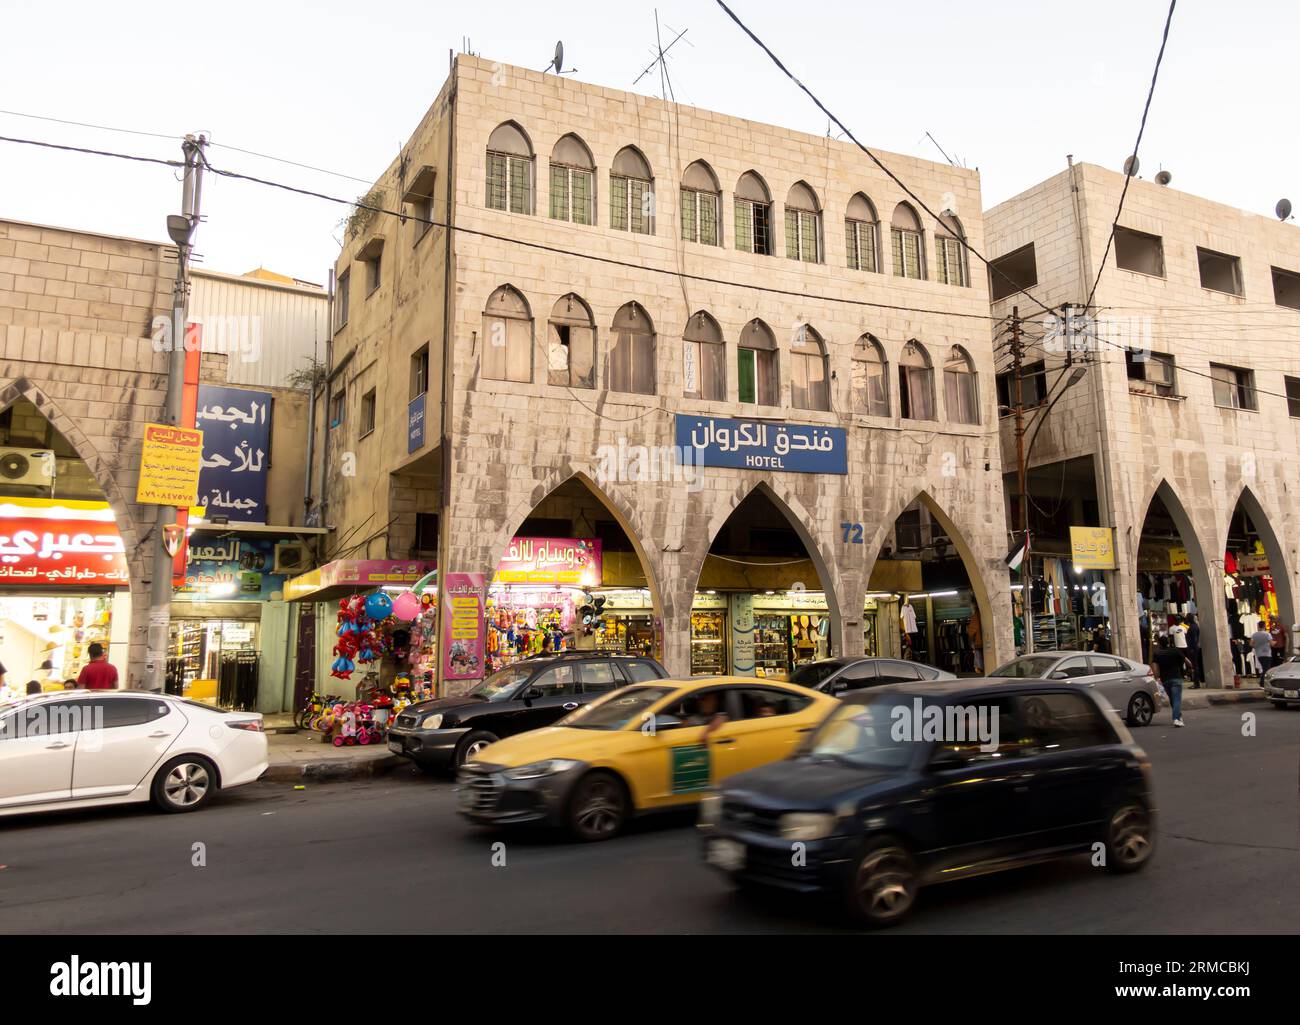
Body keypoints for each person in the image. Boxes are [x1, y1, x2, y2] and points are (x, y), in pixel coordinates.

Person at [1151, 635, 1193, 728]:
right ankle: (1176, 719)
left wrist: (1157, 677)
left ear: (1159, 644)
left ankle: (1179, 716)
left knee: (1173, 699)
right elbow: (1188, 662)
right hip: (1176, 678)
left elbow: (1155, 667)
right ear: (1168, 642)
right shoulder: (1175, 651)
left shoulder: (1157, 653)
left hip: (1165, 680)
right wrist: (1190, 668)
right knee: (1177, 699)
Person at [1185, 615, 1202, 687]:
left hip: (1193, 648)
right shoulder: (1194, 626)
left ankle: (1196, 683)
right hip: (1194, 648)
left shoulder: (1193, 627)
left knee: (1195, 666)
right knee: (1195, 666)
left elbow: (1194, 638)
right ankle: (1196, 682)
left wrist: (1192, 648)